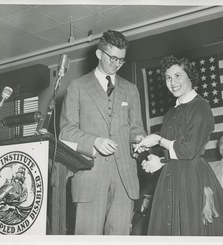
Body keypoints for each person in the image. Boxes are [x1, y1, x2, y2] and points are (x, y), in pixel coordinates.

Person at [134, 55, 223, 236]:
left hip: (192, 179)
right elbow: (171, 143)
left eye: (177, 76)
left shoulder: (201, 106)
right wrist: (152, 149)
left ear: (190, 77)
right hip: (170, 177)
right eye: (168, 77)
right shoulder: (170, 113)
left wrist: (159, 141)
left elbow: (189, 149)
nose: (172, 82)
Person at [59, 29, 146, 235]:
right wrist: (94, 141)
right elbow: (66, 133)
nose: (117, 64)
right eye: (113, 58)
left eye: (121, 60)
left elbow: (136, 127)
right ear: (99, 54)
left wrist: (139, 139)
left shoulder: (131, 89)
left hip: (125, 179)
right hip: (90, 176)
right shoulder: (77, 87)